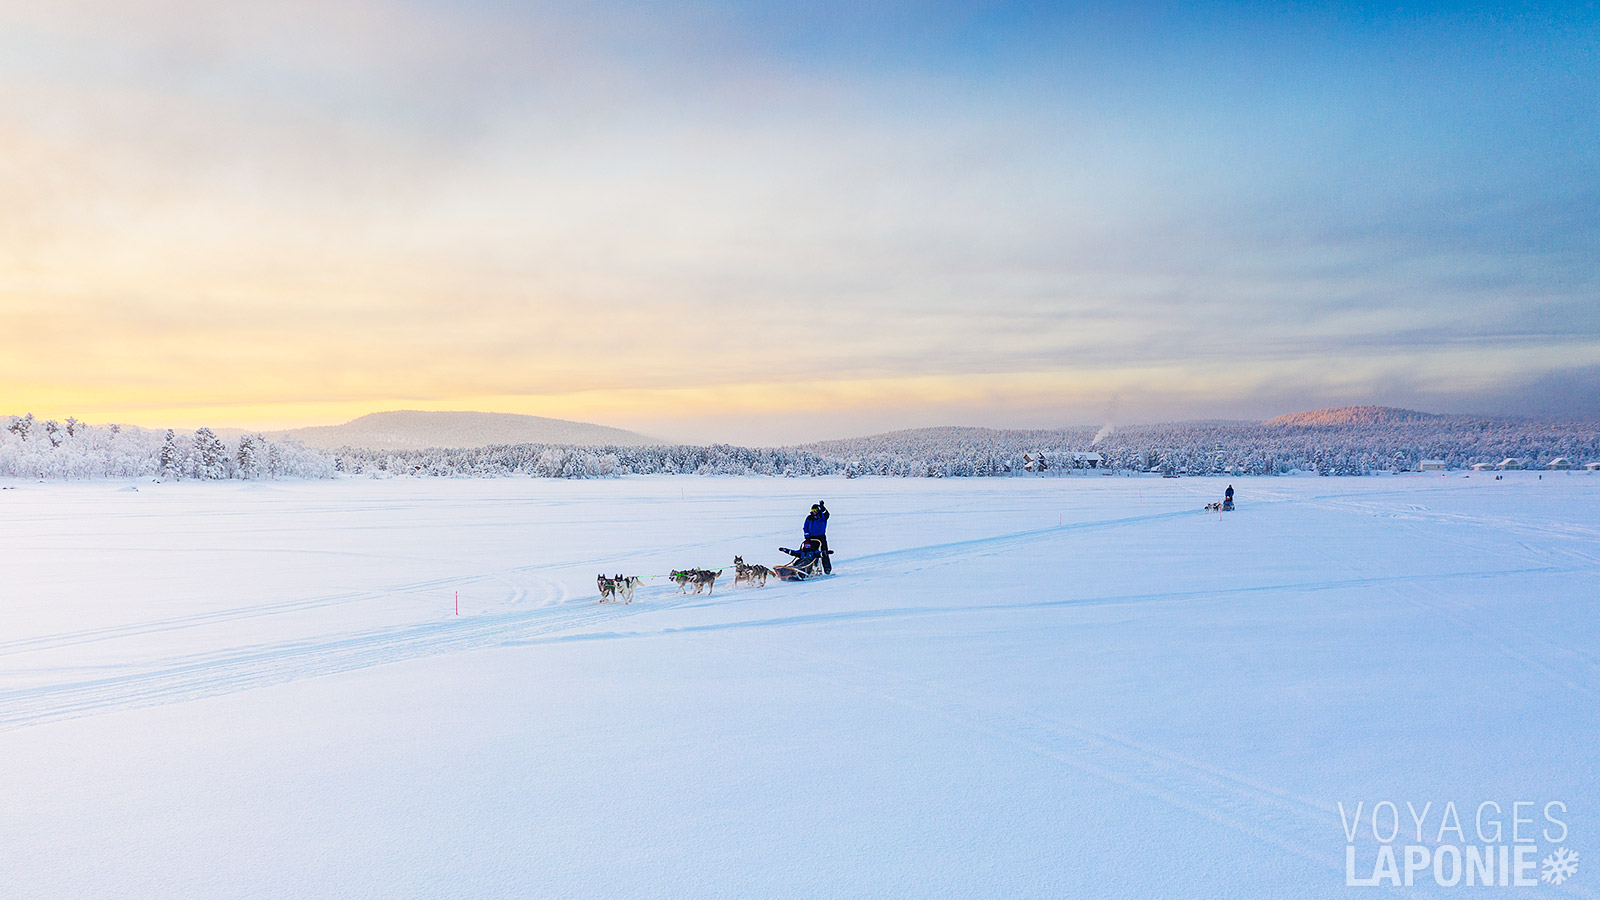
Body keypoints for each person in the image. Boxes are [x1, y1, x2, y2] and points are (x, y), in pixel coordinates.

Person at [804, 501, 832, 574]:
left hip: (821, 537)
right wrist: (806, 535)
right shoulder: (809, 518)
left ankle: (827, 568)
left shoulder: (822, 517)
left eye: (816, 510)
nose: (814, 512)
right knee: (809, 552)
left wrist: (822, 507)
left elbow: (827, 514)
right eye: (813, 510)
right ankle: (808, 568)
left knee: (824, 552)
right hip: (811, 538)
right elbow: (805, 527)